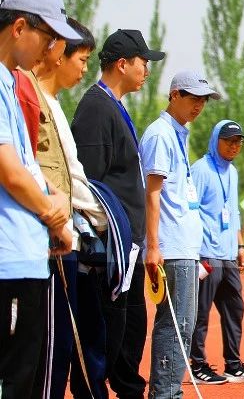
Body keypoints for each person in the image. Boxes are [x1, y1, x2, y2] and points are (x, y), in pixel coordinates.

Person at [71, 28, 165, 399]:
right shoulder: (96, 108)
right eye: (144, 62)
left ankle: (127, 390)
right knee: (104, 338)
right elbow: (89, 183)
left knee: (129, 331)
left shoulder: (115, 106)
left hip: (127, 247)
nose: (148, 71)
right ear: (122, 64)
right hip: (107, 251)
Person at [0, 0, 79, 399]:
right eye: (47, 38)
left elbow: (27, 163)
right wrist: (52, 212)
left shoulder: (12, 84)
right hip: (8, 261)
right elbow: (10, 172)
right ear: (19, 28)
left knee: (26, 380)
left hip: (26, 258)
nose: (51, 50)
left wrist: (57, 199)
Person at [26, 16, 107, 398]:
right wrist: (104, 218)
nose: (85, 69)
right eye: (82, 59)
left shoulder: (54, 104)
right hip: (48, 239)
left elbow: (71, 176)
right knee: (49, 352)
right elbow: (35, 170)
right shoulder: (28, 95)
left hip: (65, 237)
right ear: (57, 51)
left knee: (62, 346)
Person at [142, 70, 221, 397]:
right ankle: (166, 394)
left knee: (182, 328)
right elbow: (152, 193)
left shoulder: (177, 134)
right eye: (192, 98)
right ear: (174, 95)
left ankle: (169, 392)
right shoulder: (160, 135)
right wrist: (153, 246)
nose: (198, 105)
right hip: (171, 248)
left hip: (184, 247)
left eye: (203, 100)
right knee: (176, 328)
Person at [189, 120, 244, 384]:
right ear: (215, 141)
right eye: (229, 141)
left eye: (238, 142)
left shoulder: (232, 172)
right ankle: (198, 365)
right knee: (200, 312)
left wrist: (240, 245)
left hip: (228, 254)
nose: (234, 146)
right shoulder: (200, 170)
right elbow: (189, 209)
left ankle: (233, 365)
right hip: (205, 254)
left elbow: (233, 213)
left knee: (235, 308)